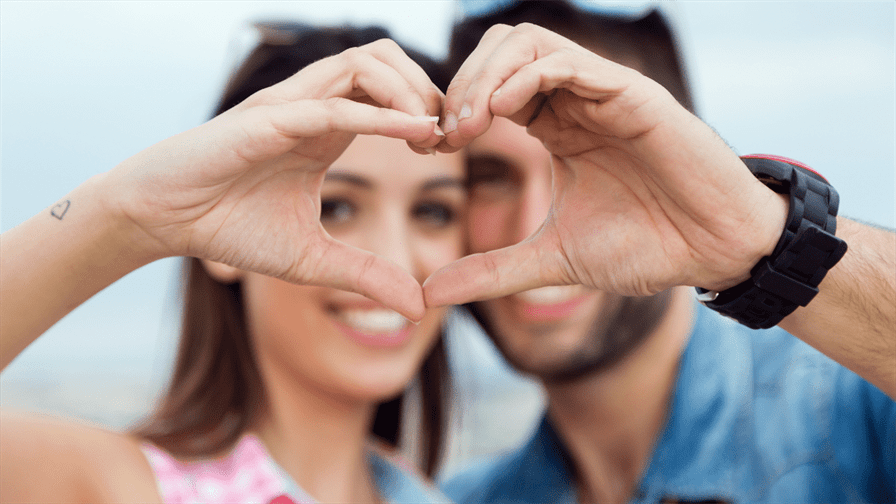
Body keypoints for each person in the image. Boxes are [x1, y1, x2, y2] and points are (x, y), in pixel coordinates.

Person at [424, 2, 896, 503]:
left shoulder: (854, 411)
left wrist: (762, 237)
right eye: (490, 178)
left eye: (591, 163)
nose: (534, 222)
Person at [0, 24, 464, 503]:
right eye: (337, 207)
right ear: (223, 247)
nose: (396, 258)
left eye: (434, 212)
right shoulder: (110, 485)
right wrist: (128, 214)